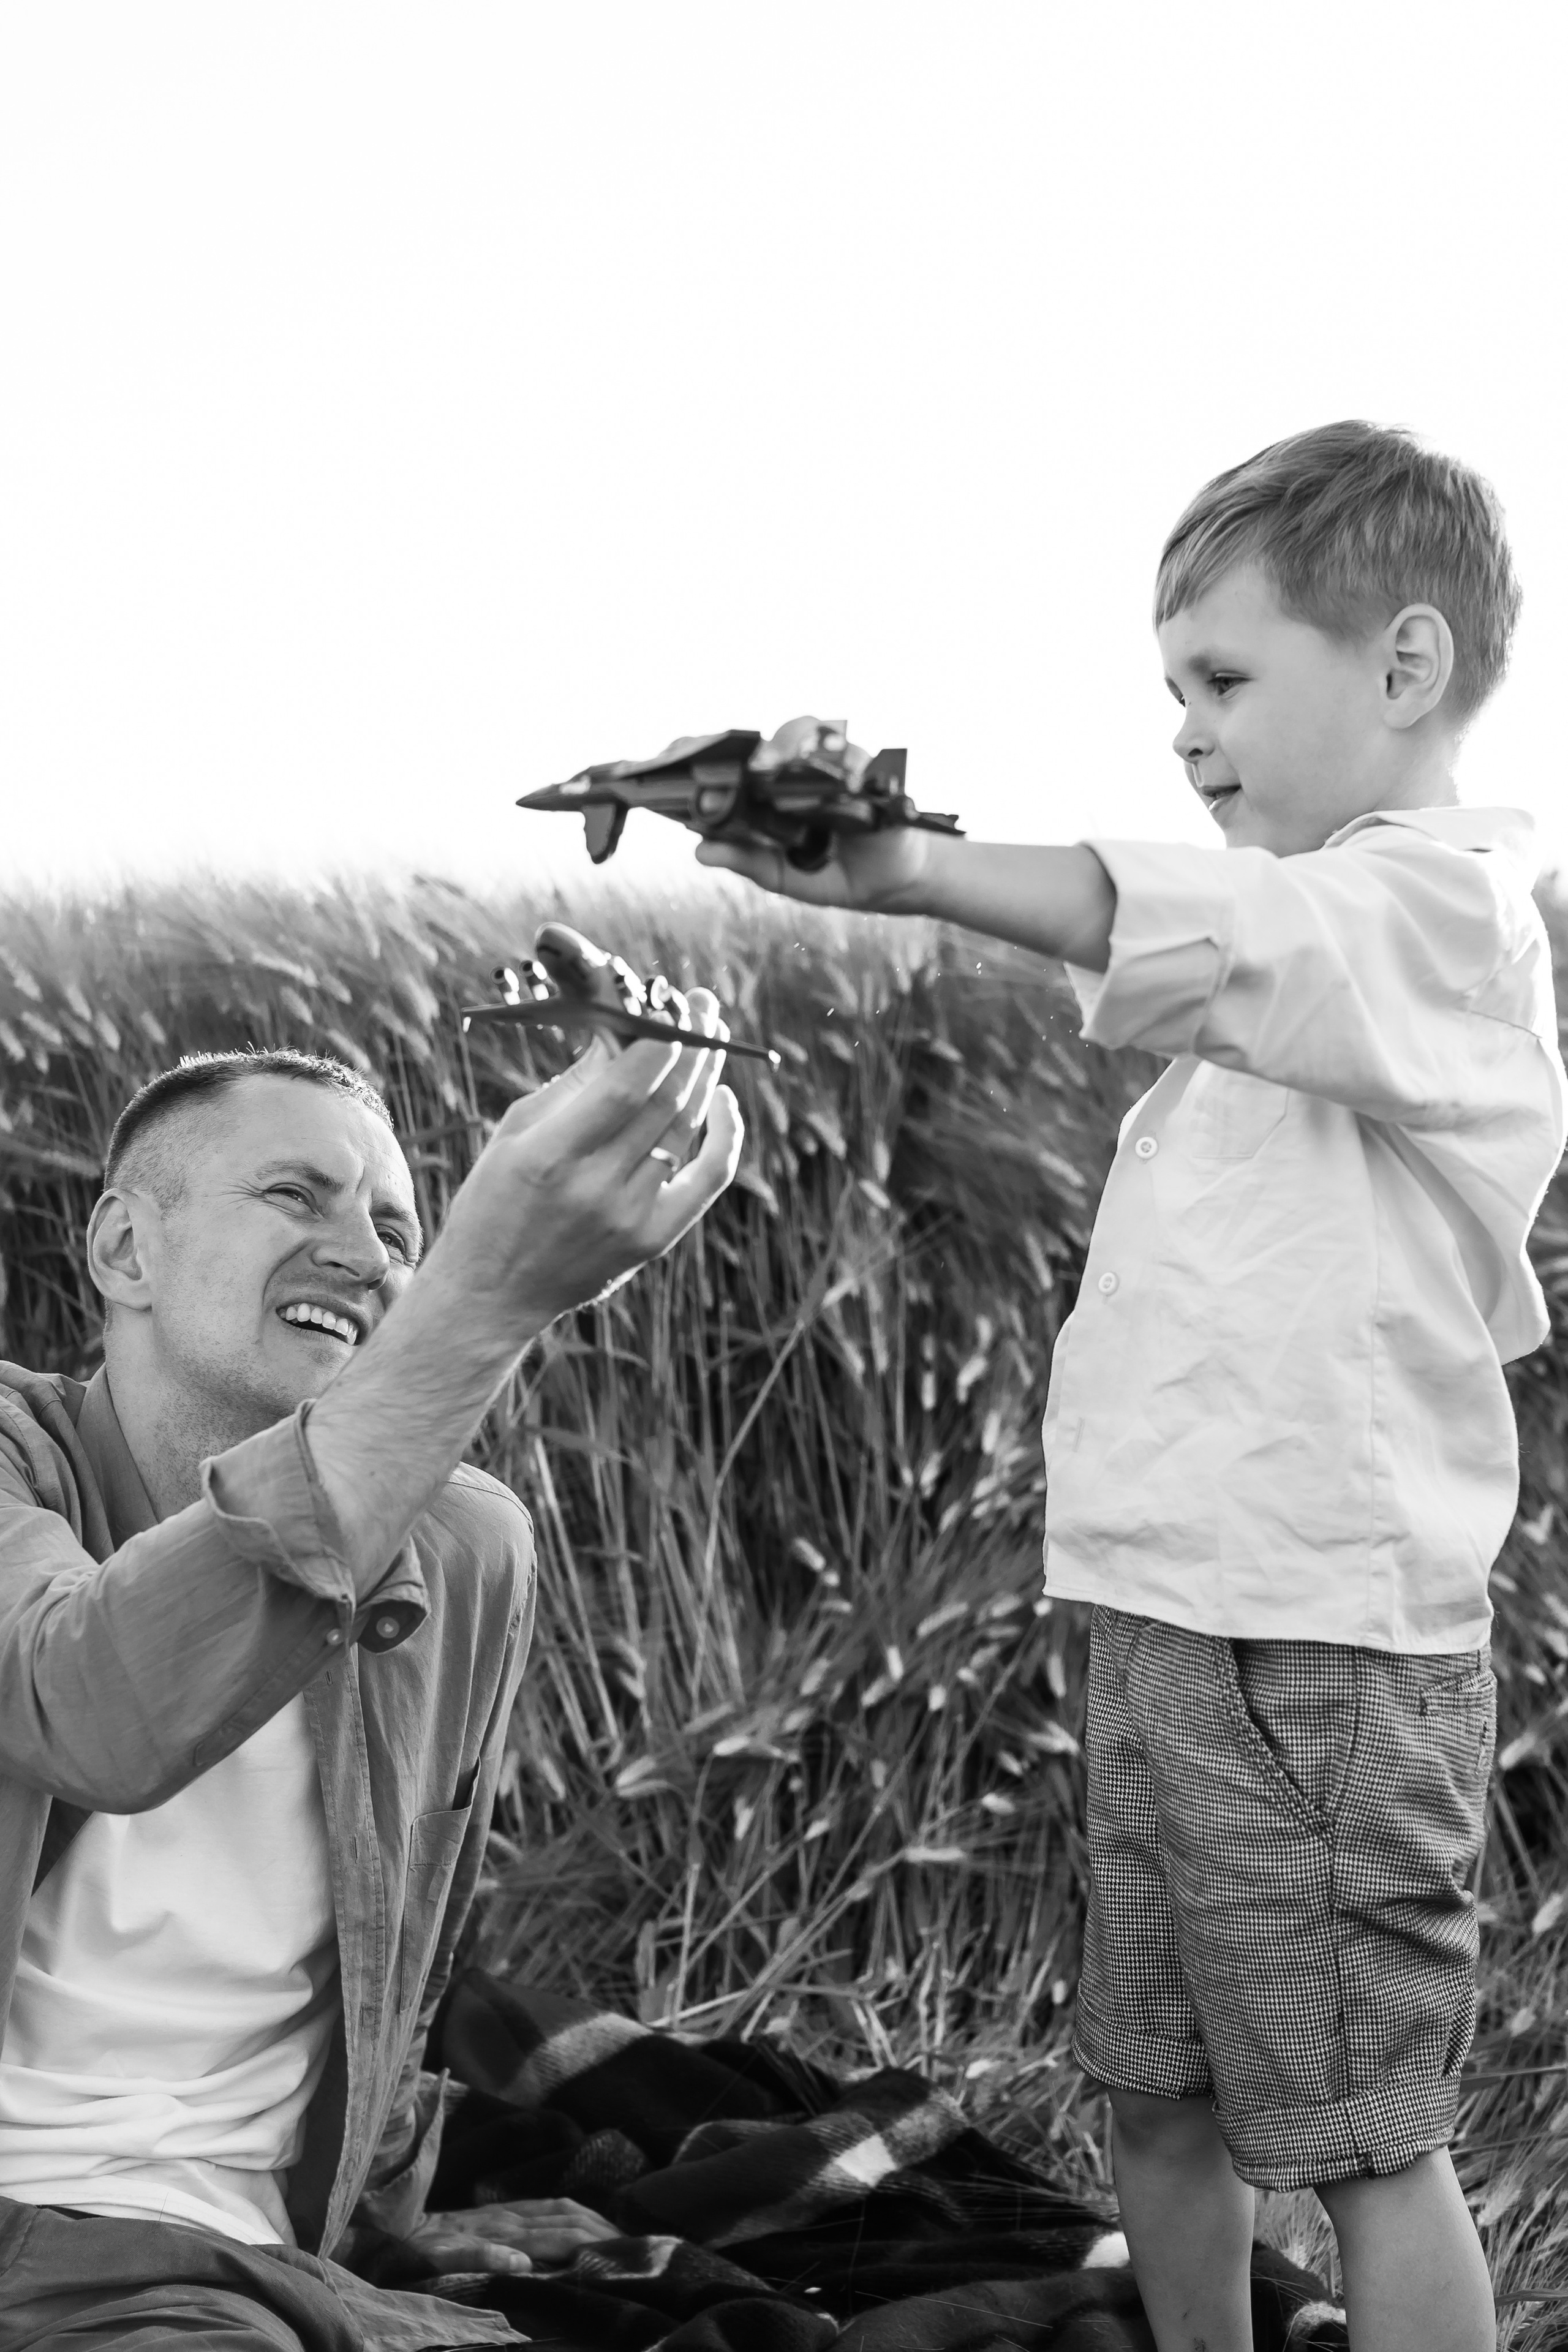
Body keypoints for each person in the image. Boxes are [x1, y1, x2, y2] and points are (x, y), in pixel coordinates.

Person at [696, 421, 1568, 2352]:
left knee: (1359, 2135)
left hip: (1321, 1652)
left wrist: (914, 866)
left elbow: (1212, 929)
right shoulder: (1306, 975)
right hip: (1170, 1617)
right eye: (1174, 690)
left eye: (1229, 681)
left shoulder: (1438, 920)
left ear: (1407, 670)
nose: (1188, 731)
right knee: (1156, 2090)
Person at [0, 967, 741, 2350]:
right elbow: (84, 1707)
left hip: (268, 2259)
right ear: (123, 1251)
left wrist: (396, 2213)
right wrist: (482, 1304)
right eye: (296, 1196)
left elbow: (409, 1938)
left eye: (401, 1230)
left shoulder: (467, 1551)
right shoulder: (14, 1461)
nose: (367, 1254)